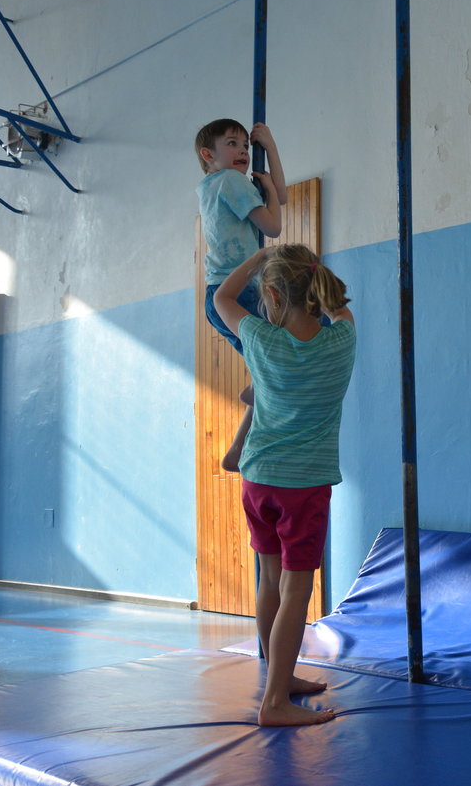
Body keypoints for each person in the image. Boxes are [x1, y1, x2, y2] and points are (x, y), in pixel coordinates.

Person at [213, 243, 356, 727]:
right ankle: (274, 701)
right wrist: (315, 281)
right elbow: (341, 312)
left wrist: (256, 260)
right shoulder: (342, 341)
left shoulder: (260, 339)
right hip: (304, 486)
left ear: (272, 295)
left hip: (258, 481)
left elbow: (221, 298)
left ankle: (280, 676)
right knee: (296, 590)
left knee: (270, 580)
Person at [195, 118, 287, 471]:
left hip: (222, 296)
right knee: (290, 354)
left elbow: (280, 197)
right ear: (208, 154)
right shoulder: (231, 181)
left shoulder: (211, 186)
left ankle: (236, 450)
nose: (244, 151)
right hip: (238, 294)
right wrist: (271, 162)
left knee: (272, 370)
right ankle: (255, 395)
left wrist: (270, 152)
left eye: (246, 146)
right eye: (232, 144)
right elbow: (273, 225)